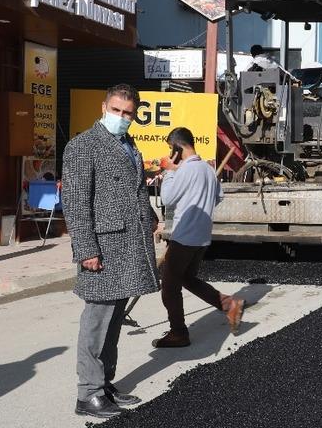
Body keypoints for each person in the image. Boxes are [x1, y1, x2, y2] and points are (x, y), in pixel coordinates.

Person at [62, 84, 160, 419]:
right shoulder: (83, 146)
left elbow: (136, 191)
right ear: (104, 107)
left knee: (114, 321)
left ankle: (103, 383)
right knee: (96, 322)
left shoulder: (128, 144)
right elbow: (75, 202)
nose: (121, 117)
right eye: (116, 110)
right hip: (102, 248)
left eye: (127, 113)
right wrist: (86, 248)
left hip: (127, 245)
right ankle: (88, 394)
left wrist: (150, 217)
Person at [152, 127, 244, 348]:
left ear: (177, 148)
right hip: (201, 237)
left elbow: (167, 199)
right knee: (187, 278)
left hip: (184, 237)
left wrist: (169, 172)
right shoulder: (207, 169)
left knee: (169, 288)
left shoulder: (184, 170)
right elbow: (218, 197)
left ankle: (178, 333)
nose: (170, 153)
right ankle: (229, 305)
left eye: (170, 148)